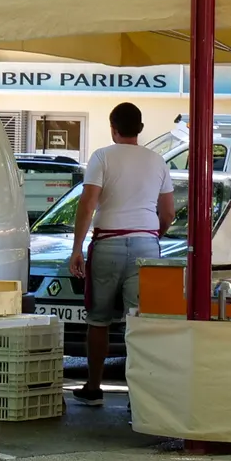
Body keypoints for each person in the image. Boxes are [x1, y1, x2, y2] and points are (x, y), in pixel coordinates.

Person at [69, 102, 174, 406]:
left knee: (98, 320)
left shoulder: (101, 157)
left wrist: (77, 249)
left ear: (113, 128)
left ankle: (93, 387)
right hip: (146, 247)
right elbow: (167, 212)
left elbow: (87, 205)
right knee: (137, 323)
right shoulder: (158, 161)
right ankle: (137, 396)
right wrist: (152, 235)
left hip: (108, 244)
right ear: (140, 129)